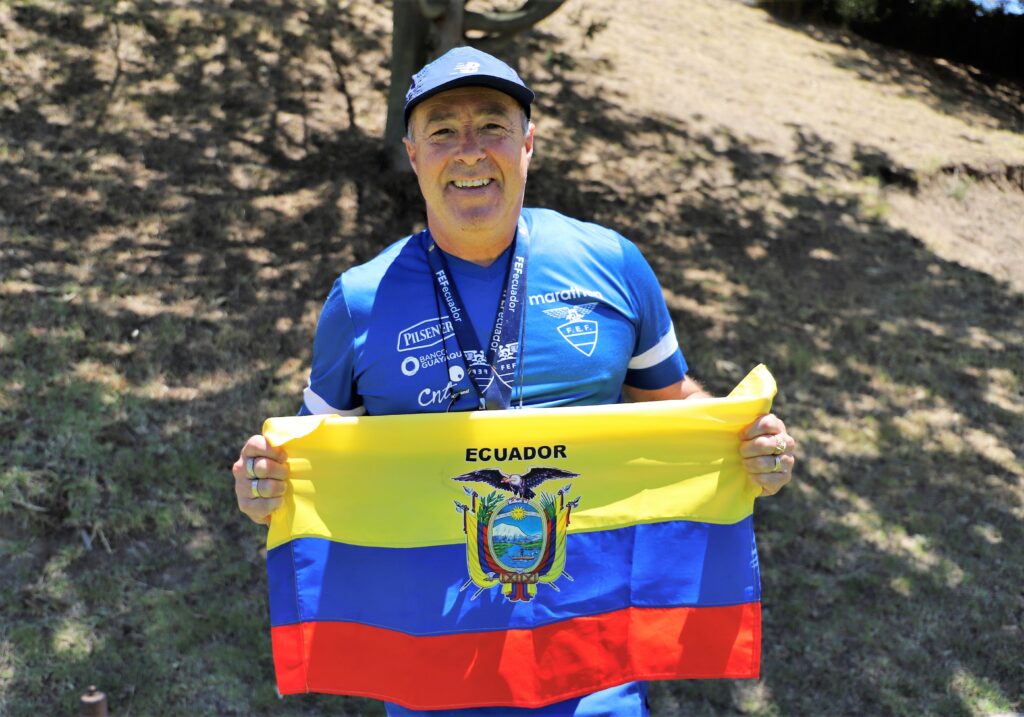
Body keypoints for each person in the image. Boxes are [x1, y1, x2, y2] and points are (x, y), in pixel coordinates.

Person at [233, 46, 796, 717]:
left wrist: (747, 441)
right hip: (431, 683)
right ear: (413, 154)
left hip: (594, 680)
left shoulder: (612, 266)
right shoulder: (360, 301)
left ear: (527, 142)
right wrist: (261, 482)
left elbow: (676, 409)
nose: (468, 151)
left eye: (492, 127)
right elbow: (307, 464)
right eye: (442, 131)